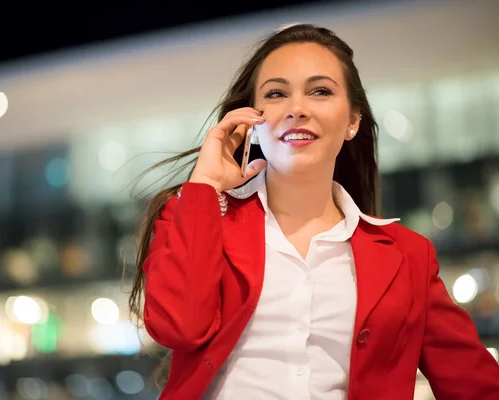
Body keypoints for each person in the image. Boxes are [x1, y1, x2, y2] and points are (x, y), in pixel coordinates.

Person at [128, 24, 499, 399]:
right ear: (251, 120)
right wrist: (205, 183)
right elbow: (179, 327)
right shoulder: (193, 215)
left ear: (353, 121)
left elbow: (476, 385)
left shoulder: (409, 257)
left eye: (320, 91)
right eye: (276, 94)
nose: (297, 109)